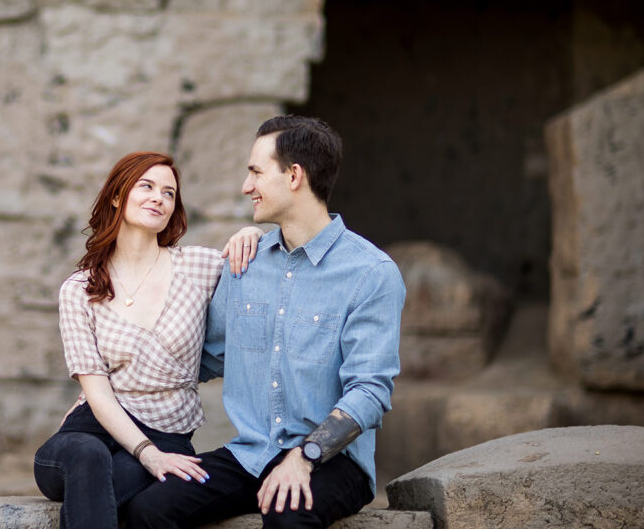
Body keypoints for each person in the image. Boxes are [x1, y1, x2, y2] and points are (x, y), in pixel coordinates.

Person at [125, 116, 406, 529]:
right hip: (250, 454)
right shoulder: (245, 262)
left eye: (256, 171)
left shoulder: (371, 273)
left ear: (294, 176)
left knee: (286, 515)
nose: (246, 186)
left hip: (332, 462)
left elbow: (370, 390)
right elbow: (199, 359)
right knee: (149, 508)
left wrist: (304, 457)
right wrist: (104, 395)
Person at [33, 151, 264, 529]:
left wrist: (251, 233)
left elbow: (265, 269)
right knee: (88, 455)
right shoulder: (80, 288)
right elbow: (98, 391)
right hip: (90, 429)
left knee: (108, 489)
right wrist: (146, 453)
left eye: (169, 193)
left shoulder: (199, 267)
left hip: (167, 433)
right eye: (147, 186)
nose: (159, 197)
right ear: (116, 196)